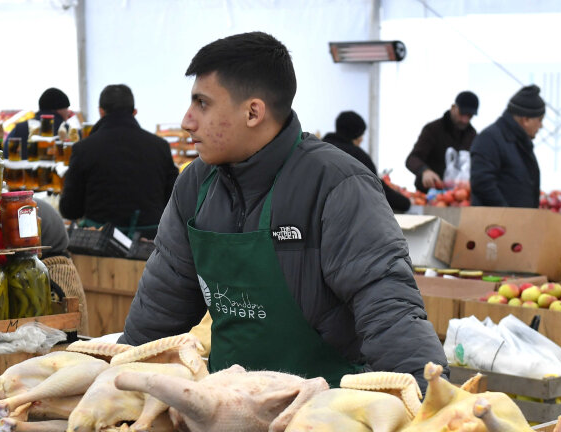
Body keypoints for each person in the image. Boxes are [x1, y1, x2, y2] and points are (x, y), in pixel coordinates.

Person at [119, 32, 445, 390]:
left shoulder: (336, 183)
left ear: (253, 111)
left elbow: (387, 306)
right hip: (226, 406)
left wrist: (429, 398)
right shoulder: (195, 185)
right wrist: (116, 377)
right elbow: (161, 306)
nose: (187, 120)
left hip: (326, 411)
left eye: (202, 103)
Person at [59, 84, 178, 237]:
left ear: (101, 111)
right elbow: (174, 201)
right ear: (134, 112)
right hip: (151, 245)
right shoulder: (160, 147)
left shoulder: (84, 149)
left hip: (99, 245)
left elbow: (70, 209)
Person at [469, 85, 544, 208]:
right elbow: (482, 183)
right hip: (497, 225)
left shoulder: (520, 143)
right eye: (539, 120)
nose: (541, 126)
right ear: (525, 120)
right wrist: (507, 216)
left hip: (517, 224)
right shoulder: (489, 139)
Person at [322, 111, 410, 213]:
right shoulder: (356, 156)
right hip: (347, 217)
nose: (362, 139)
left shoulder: (318, 149)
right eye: (361, 134)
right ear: (354, 133)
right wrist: (405, 203)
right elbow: (377, 189)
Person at [406, 91, 479, 192]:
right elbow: (412, 158)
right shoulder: (432, 129)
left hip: (459, 196)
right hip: (429, 194)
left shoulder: (473, 135)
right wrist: (424, 171)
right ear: (453, 107)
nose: (464, 120)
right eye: (462, 114)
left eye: (469, 116)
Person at [5, 88, 78, 160]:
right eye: (66, 108)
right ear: (59, 109)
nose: (68, 112)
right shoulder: (69, 131)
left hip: (21, 171)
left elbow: (5, 153)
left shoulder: (19, 128)